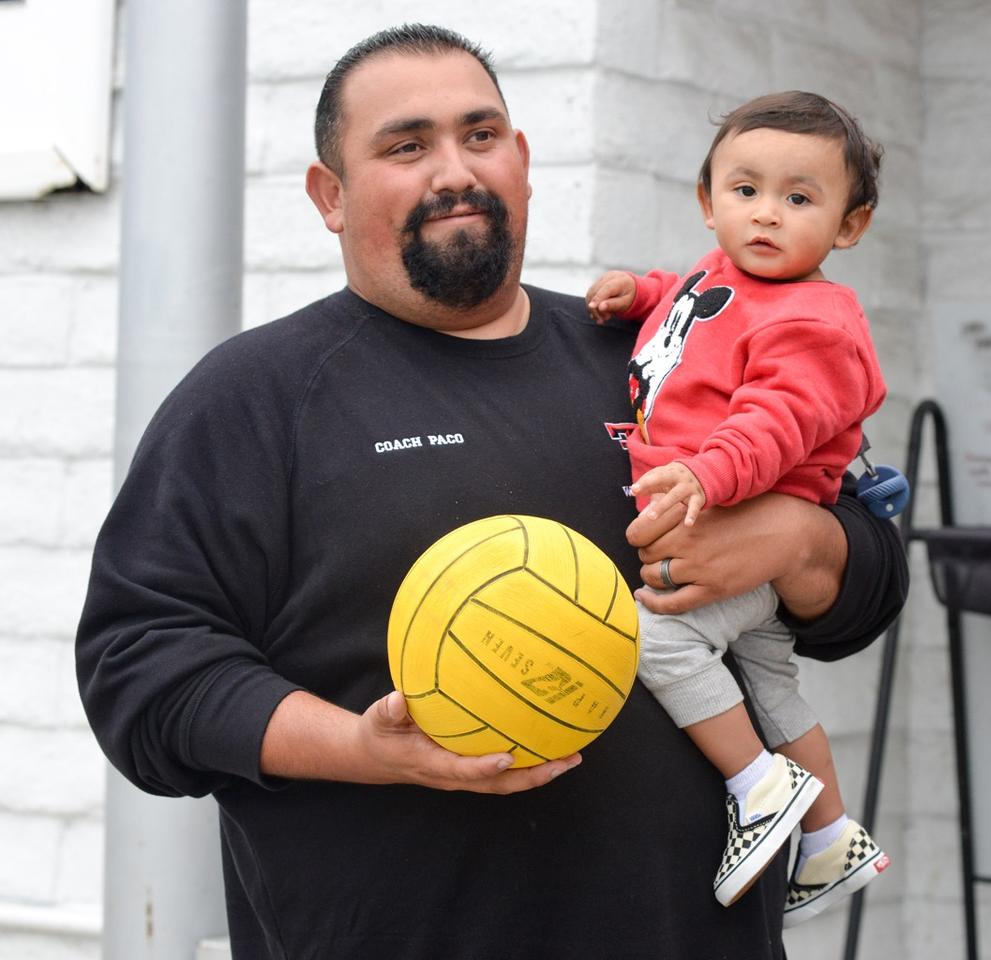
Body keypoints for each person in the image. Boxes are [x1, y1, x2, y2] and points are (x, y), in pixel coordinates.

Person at [76, 25, 906, 960]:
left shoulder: (647, 353)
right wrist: (360, 748)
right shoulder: (256, 398)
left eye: (480, 136)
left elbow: (863, 591)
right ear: (329, 195)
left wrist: (800, 542)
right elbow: (140, 674)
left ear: (521, 161)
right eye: (405, 145)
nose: (454, 170)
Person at [586, 91, 892, 920]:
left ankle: (758, 786)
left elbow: (777, 421)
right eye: (745, 190)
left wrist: (707, 478)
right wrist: (637, 291)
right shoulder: (721, 275)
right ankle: (831, 838)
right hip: (713, 525)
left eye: (799, 198)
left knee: (650, 635)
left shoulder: (816, 321)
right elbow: (689, 307)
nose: (766, 215)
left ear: (848, 226)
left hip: (741, 535)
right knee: (774, 690)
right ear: (707, 203)